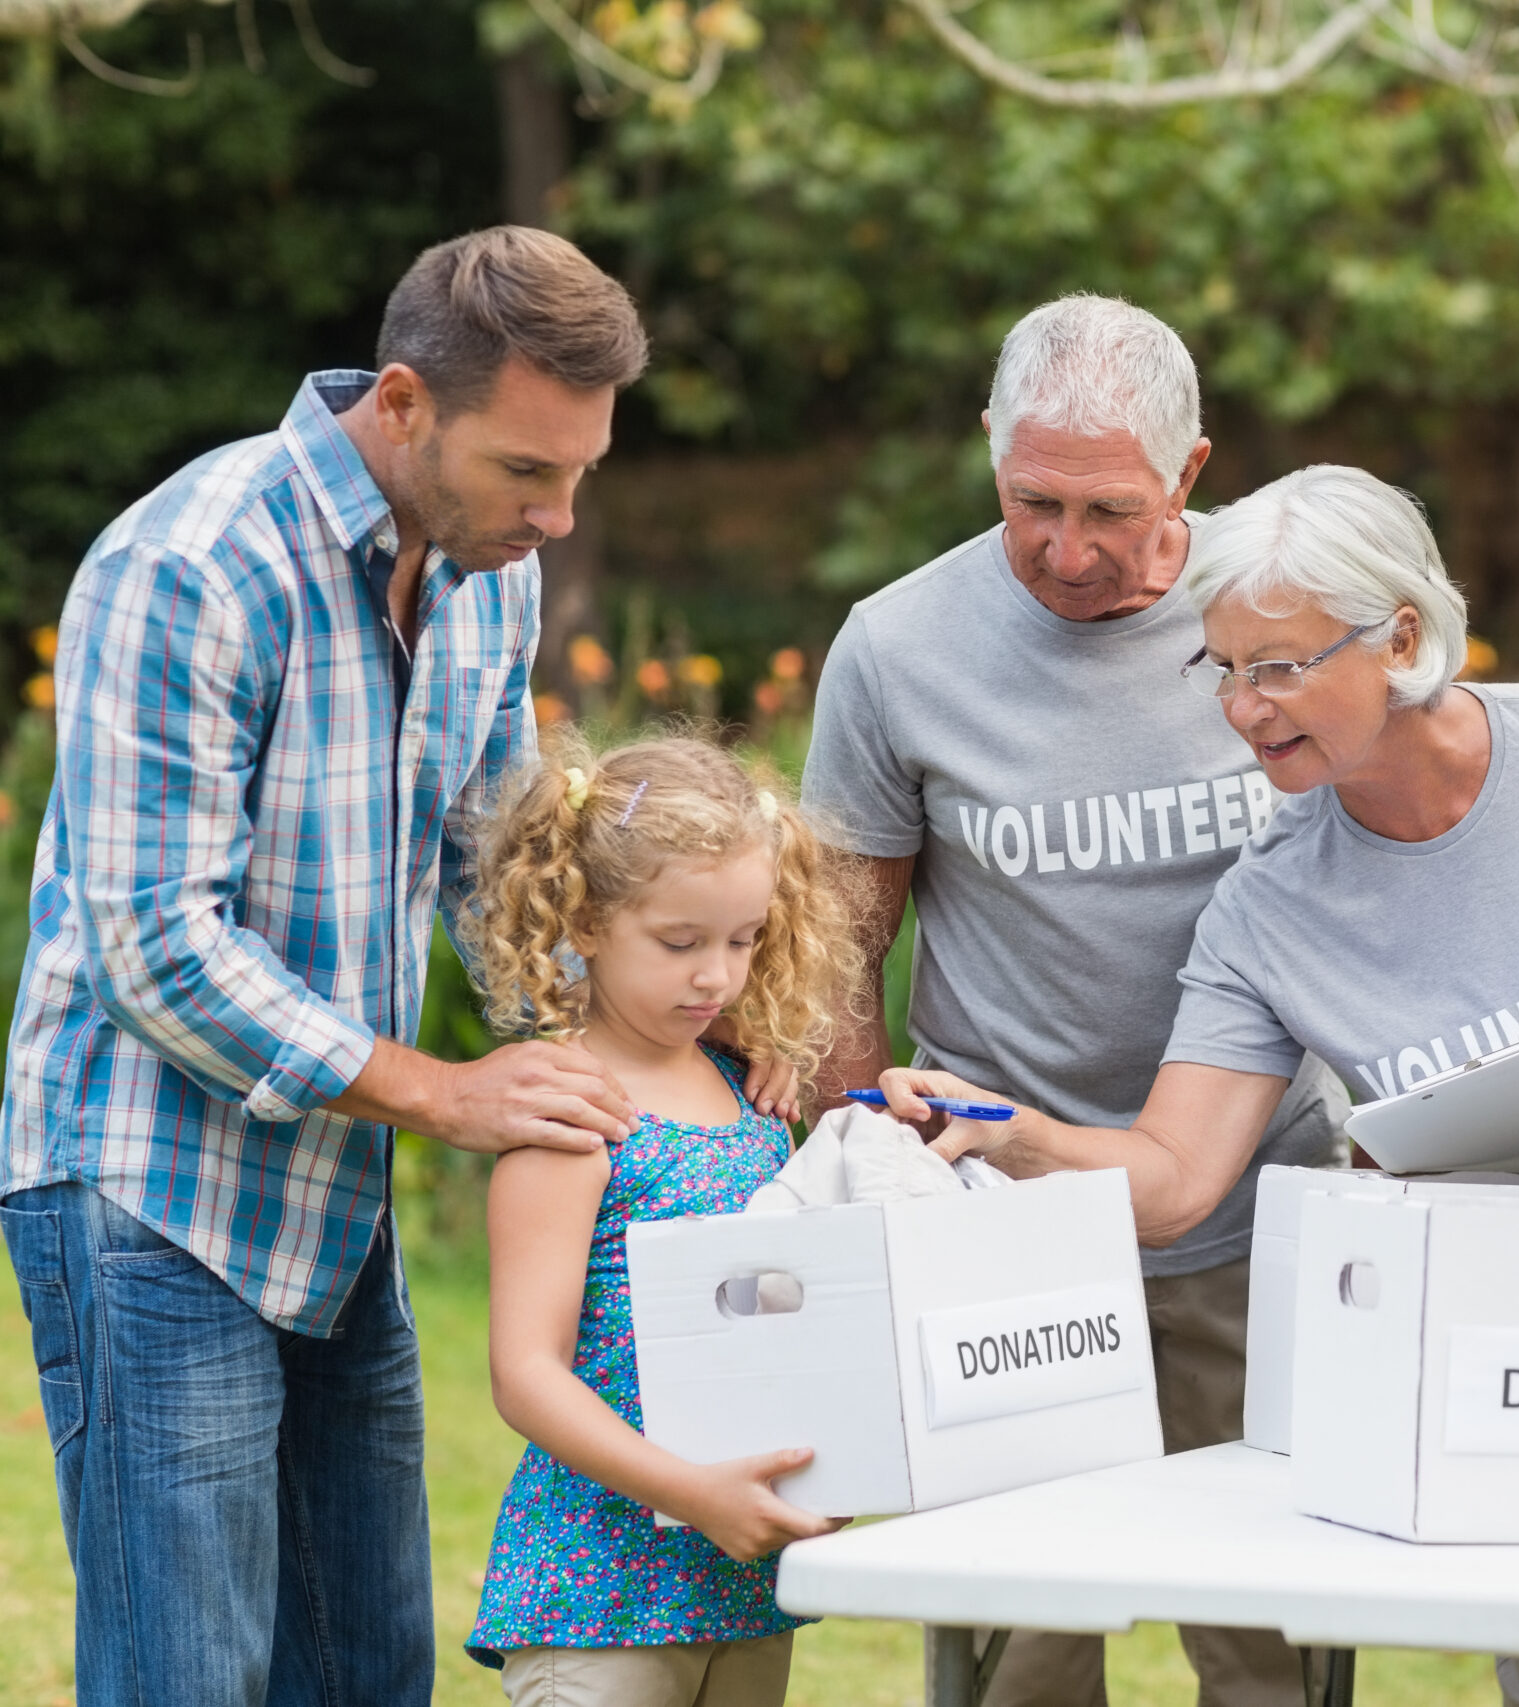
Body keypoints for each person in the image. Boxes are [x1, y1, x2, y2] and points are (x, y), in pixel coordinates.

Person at [884, 463, 1519, 1707]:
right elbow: (1171, 1182)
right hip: (1510, 1327)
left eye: (1276, 666)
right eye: (1218, 669)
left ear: (1405, 638)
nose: (1242, 707)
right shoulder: (1265, 909)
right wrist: (1009, 1136)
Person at [0, 226, 656, 1706]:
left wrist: (654, 1058)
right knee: (191, 1677)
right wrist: (447, 1095)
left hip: (327, 1196)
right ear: (407, 405)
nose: (556, 516)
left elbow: (497, 870)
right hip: (145, 1188)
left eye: (581, 475)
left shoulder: (491, 572)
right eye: (526, 473)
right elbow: (150, 943)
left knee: (366, 1669)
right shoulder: (193, 565)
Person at [801, 294, 1341, 1707]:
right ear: (989, 445)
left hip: (1260, 1205)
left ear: (1192, 471)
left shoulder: (1281, 614)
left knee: (1274, 1647)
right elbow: (838, 951)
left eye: (1110, 508)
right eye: (1031, 499)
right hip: (1004, 1226)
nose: (1067, 547)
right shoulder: (899, 645)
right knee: (1018, 1660)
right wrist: (877, 1171)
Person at [463, 734, 857, 1705]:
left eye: (744, 939)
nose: (716, 977)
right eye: (680, 944)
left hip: (740, 1583)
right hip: (598, 1593)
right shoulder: (571, 1115)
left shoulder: (750, 1091)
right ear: (587, 922)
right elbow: (525, 1373)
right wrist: (690, 1494)